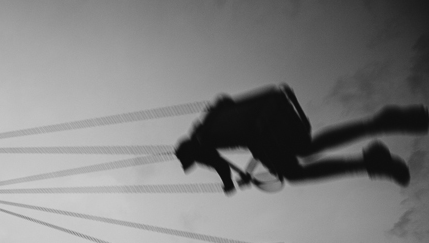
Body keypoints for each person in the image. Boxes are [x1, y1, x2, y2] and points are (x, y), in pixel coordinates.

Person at [175, 85, 426, 192]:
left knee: (294, 172)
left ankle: (370, 162)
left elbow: (218, 164)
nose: (197, 162)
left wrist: (228, 184)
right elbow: (225, 100)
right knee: (307, 146)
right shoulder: (207, 123)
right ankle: (378, 124)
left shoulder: (198, 144)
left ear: (188, 153)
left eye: (192, 161)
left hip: (263, 130)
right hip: (274, 109)